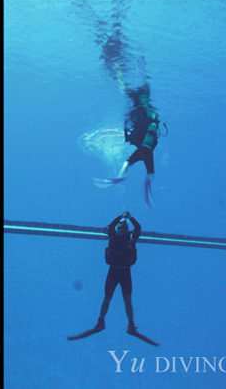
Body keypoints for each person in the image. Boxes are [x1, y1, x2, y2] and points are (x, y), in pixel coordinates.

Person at [67, 211, 158, 345]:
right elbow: (115, 227)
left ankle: (127, 325)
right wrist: (125, 217)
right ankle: (104, 323)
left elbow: (136, 228)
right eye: (121, 226)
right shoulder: (116, 237)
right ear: (119, 228)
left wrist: (126, 217)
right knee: (111, 298)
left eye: (124, 226)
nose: (122, 227)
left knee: (124, 299)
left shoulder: (128, 238)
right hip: (117, 271)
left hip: (122, 272)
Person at [93, 83, 160, 208]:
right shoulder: (151, 122)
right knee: (150, 173)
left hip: (141, 149)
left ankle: (120, 176)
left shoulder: (139, 115)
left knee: (127, 162)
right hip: (148, 151)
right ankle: (148, 181)